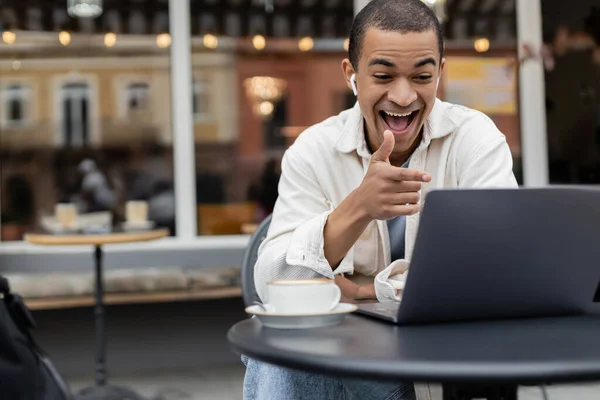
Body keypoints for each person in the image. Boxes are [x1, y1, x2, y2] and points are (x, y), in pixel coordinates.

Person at [244, 0, 518, 399]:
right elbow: (272, 286)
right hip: (338, 356)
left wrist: (369, 289)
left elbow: (502, 272)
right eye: (384, 76)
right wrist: (358, 208)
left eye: (421, 76)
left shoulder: (476, 140)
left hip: (437, 359)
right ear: (351, 75)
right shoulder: (313, 150)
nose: (404, 96)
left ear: (440, 74)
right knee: (277, 355)